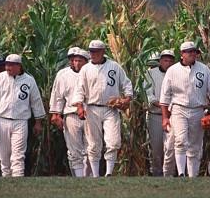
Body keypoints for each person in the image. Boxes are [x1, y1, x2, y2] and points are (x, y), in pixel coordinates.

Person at [159, 41, 210, 177]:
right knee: (180, 140)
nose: (193, 54)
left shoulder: (204, 69)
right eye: (189, 52)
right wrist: (165, 117)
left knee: (195, 145)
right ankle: (182, 173)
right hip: (178, 109)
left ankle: (192, 176)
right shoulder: (172, 70)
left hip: (198, 110)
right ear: (182, 54)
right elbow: (164, 97)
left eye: (194, 51)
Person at [72, 40, 133, 177]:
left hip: (111, 108)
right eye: (91, 51)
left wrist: (126, 99)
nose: (93, 54)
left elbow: (127, 84)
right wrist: (79, 106)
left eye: (96, 51)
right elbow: (79, 90)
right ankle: (95, 175)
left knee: (113, 141)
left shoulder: (114, 67)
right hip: (92, 108)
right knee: (93, 144)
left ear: (103, 51)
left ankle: (109, 173)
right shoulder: (86, 69)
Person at [0, 54, 46, 177]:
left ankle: (17, 184)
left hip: (20, 122)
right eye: (6, 65)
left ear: (18, 66)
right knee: (4, 158)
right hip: (1, 121)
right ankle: (8, 185)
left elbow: (36, 101)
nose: (7, 67)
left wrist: (38, 122)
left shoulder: (29, 80)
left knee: (18, 157)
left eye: (10, 65)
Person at [49, 47, 90, 177]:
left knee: (91, 149)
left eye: (79, 60)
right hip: (71, 115)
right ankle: (78, 178)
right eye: (73, 60)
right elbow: (57, 96)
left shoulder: (92, 72)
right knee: (74, 150)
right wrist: (56, 114)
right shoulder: (63, 74)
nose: (75, 63)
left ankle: (89, 177)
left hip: (90, 114)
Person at [144, 49, 176, 176]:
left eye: (170, 60)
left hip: (173, 115)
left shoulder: (177, 73)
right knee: (156, 148)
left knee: (171, 146)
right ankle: (157, 173)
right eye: (165, 60)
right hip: (155, 115)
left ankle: (171, 173)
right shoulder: (151, 74)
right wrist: (162, 105)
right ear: (160, 61)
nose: (167, 63)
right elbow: (148, 94)